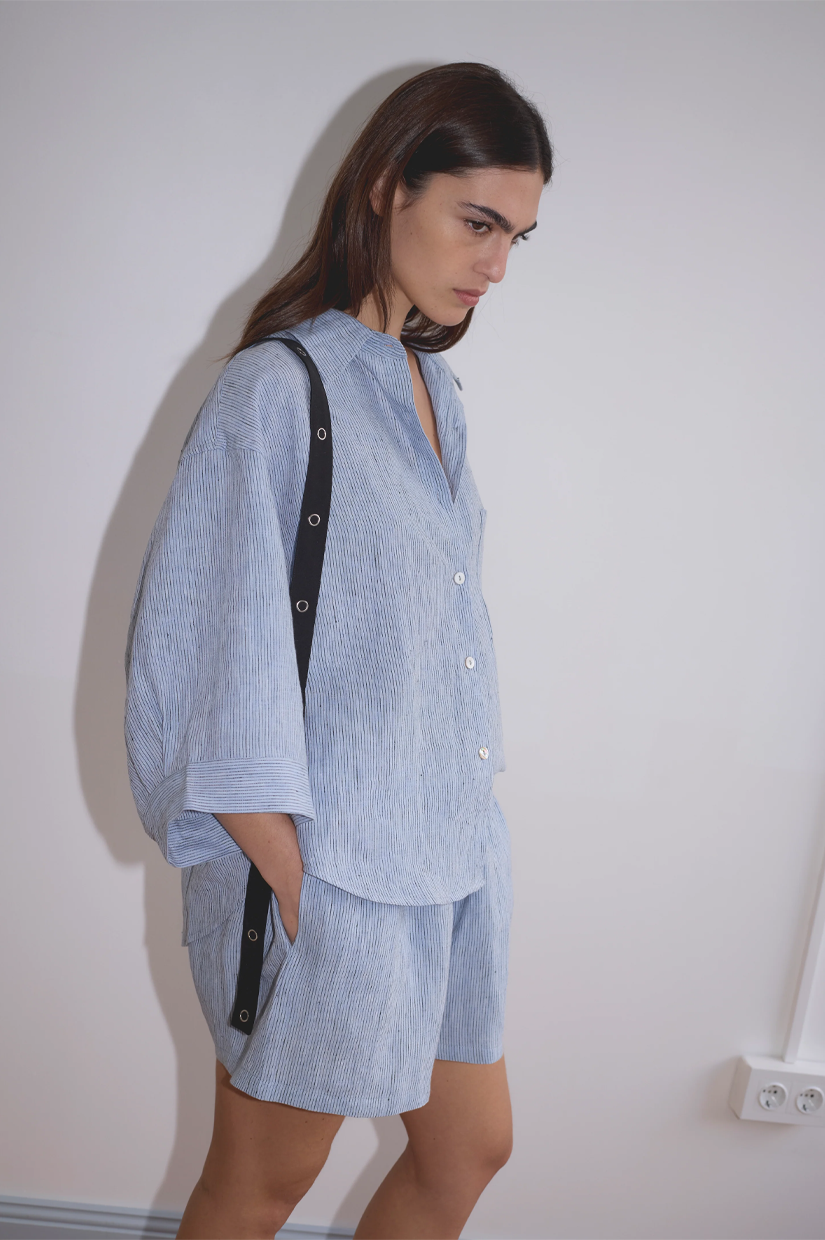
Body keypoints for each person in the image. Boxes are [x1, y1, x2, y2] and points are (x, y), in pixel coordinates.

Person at [125, 61, 552, 1240]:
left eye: (517, 236)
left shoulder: (432, 390)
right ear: (385, 185)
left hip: (450, 857)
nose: (497, 265)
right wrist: (296, 877)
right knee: (262, 1183)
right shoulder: (277, 390)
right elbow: (200, 650)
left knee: (470, 1147)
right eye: (477, 221)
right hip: (331, 866)